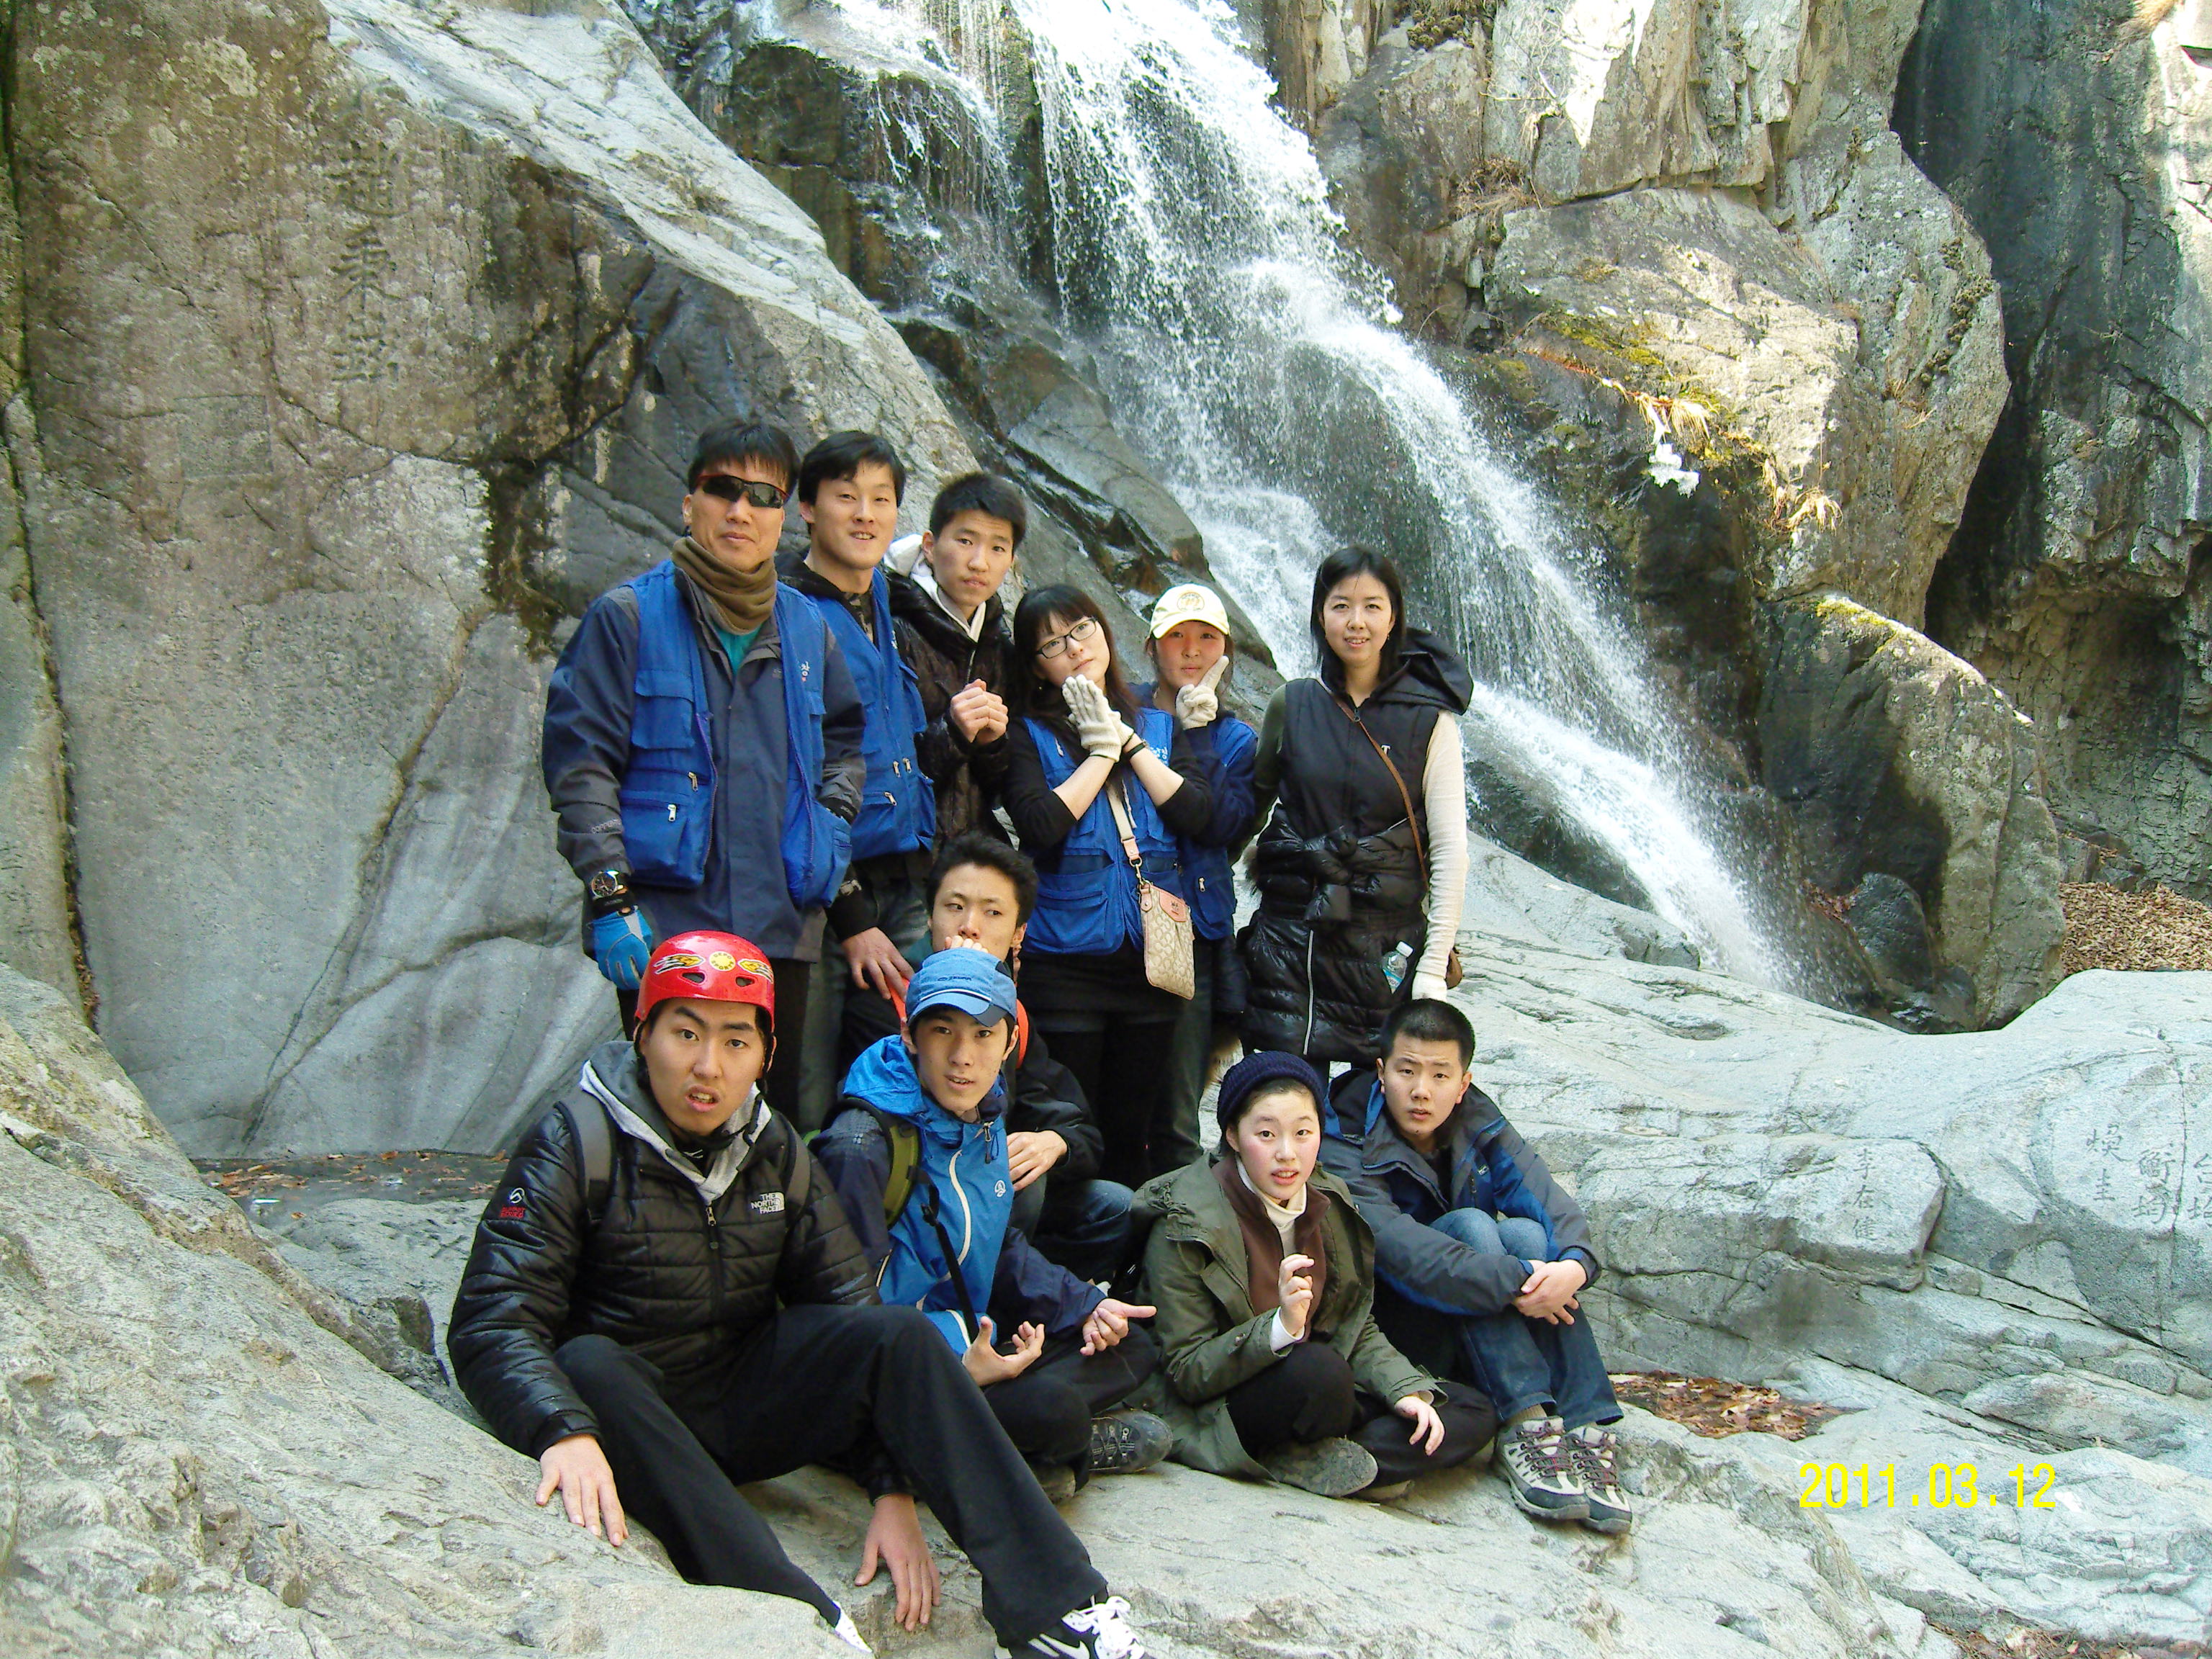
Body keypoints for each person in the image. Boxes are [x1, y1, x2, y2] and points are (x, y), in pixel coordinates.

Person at [447, 934, 1156, 1659]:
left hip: (746, 1400)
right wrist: (562, 1428)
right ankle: (797, 1614)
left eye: (735, 1041)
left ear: (766, 1054)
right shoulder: (576, 1141)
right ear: (643, 1033)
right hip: (635, 1414)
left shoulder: (773, 1148)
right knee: (589, 1362)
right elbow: (490, 1321)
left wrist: (891, 1487)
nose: (708, 1066)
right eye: (686, 1034)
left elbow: (852, 1316)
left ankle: (1056, 1609)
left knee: (901, 1335)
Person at [542, 419, 863, 1123]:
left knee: (767, 1120)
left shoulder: (808, 628)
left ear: (785, 516)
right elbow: (581, 765)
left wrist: (831, 831)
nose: (742, 510)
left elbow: (845, 744)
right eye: (724, 490)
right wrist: (610, 897)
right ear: (691, 504)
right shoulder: (627, 618)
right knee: (667, 1118)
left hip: (778, 923)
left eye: (764, 496)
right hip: (664, 925)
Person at [814, 949, 1172, 1491]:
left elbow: (997, 1246)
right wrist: (960, 1363)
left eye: (983, 1035)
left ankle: (1018, 1446)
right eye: (942, 1031)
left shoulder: (982, 1115)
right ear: (910, 1035)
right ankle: (1055, 1446)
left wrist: (1084, 1305)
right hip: (899, 1371)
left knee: (1129, 1344)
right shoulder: (862, 1146)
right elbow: (848, 1315)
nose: (963, 1057)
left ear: (1010, 1044)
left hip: (972, 1339)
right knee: (1053, 1410)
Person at [1321, 997, 1628, 1531]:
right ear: (1381, 1071)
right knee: (1472, 1227)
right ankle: (1525, 1422)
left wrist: (1575, 1268)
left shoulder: (1479, 1117)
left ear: (1463, 1083)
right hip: (1394, 1326)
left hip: (1478, 1322)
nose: (1422, 1090)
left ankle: (1584, 1427)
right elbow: (1402, 1252)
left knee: (1528, 1234)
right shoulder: (1345, 1134)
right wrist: (1525, 1280)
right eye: (1407, 1071)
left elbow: (1548, 1200)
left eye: (1440, 1075)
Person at [1134, 1052, 1497, 1500]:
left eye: (1303, 1133)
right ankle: (1352, 1459)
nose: (1287, 1153)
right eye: (1266, 1134)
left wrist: (1403, 1390)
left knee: (1470, 1409)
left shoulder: (1329, 1198)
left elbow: (1354, 1325)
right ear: (1232, 1136)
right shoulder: (1185, 1221)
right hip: (1231, 1401)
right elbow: (1187, 1371)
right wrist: (1279, 1328)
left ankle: (1329, 1461)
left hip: (1328, 1390)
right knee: (1319, 1373)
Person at [843, 831, 1138, 1283]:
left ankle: (1032, 1298)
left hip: (997, 1199)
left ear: (1019, 933)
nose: (969, 926)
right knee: (1011, 1183)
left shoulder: (1011, 1014)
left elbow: (1071, 1119)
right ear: (929, 915)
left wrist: (1055, 1143)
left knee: (1112, 1206)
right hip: (916, 1199)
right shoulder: (886, 1002)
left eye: (992, 912)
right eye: (954, 906)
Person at [1000, 585, 1213, 1188]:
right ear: (1036, 666)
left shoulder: (1161, 726)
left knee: (1132, 1133)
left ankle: (1126, 1238)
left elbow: (1197, 813)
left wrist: (1129, 742)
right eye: (1052, 644)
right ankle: (1073, 1240)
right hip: (1064, 964)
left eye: (1081, 629)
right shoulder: (1026, 735)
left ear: (1105, 632)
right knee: (1071, 1126)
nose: (1073, 648)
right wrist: (1097, 755)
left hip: (1151, 966)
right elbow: (1040, 825)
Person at [1241, 547, 1473, 1068]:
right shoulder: (1293, 703)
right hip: (1291, 950)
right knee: (1285, 1101)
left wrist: (1433, 966)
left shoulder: (1431, 721)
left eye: (1372, 606)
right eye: (1341, 606)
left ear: (1394, 617)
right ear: (1320, 615)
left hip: (1382, 958)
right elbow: (1247, 814)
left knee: (1373, 1108)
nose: (1356, 622)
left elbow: (1450, 848)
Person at [779, 432, 937, 1081]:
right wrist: (850, 915)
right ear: (807, 507)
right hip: (823, 894)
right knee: (809, 1082)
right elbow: (790, 772)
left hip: (904, 877)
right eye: (846, 497)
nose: (866, 515)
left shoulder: (883, 597)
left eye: (881, 499)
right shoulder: (786, 608)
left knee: (903, 1076)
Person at [1138, 583, 1259, 1175]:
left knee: (1179, 1104)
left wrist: (1195, 734)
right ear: (1152, 646)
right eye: (1177, 636)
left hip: (1193, 934)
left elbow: (1221, 824)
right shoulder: (1119, 714)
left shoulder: (1235, 740)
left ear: (1225, 652)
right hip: (1119, 924)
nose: (1191, 650)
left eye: (1207, 637)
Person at [889, 472, 1024, 845]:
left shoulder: (1000, 646)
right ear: (930, 546)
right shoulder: (888, 628)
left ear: (1012, 560)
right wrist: (953, 731)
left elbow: (997, 791)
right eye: (966, 541)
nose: (979, 562)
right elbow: (879, 769)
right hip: (899, 851)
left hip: (971, 856)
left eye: (998, 548)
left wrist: (992, 745)